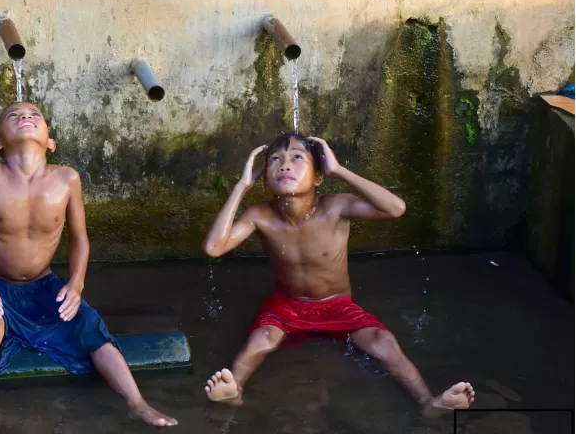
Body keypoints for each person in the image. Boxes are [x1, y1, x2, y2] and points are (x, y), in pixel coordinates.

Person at [0, 102, 177, 434]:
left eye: (35, 115)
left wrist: (77, 283)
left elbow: (80, 239)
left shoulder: (67, 179)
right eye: (14, 115)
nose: (26, 116)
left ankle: (137, 403)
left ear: (50, 142)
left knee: (90, 326)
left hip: (44, 285)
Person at [202, 132, 475, 415]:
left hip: (337, 305)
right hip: (287, 306)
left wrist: (339, 171)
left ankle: (427, 402)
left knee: (383, 342)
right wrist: (242, 186)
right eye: (275, 160)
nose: (285, 165)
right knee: (260, 341)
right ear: (265, 177)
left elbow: (396, 208)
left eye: (297, 158)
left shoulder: (335, 207)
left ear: (318, 177)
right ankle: (234, 391)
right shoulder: (260, 215)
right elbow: (213, 248)